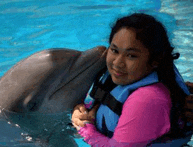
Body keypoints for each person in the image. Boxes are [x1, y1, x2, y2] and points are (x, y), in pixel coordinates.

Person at [71, 13, 192, 147]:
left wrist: (84, 129)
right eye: (114, 50)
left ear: (155, 60)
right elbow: (99, 99)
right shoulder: (121, 75)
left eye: (131, 55)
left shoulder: (147, 99)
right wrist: (80, 112)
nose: (117, 63)